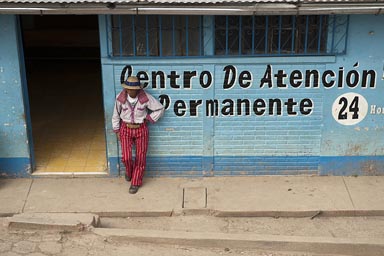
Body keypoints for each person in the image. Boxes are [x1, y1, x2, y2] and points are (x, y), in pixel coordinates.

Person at [112, 76, 165, 194]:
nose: (131, 91)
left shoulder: (145, 98)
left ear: (137, 89)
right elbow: (115, 115)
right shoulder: (120, 98)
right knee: (126, 157)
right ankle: (129, 172)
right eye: (129, 89)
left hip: (141, 129)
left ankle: (135, 182)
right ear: (126, 89)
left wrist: (149, 118)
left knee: (140, 158)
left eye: (134, 89)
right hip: (125, 128)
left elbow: (160, 109)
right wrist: (116, 130)